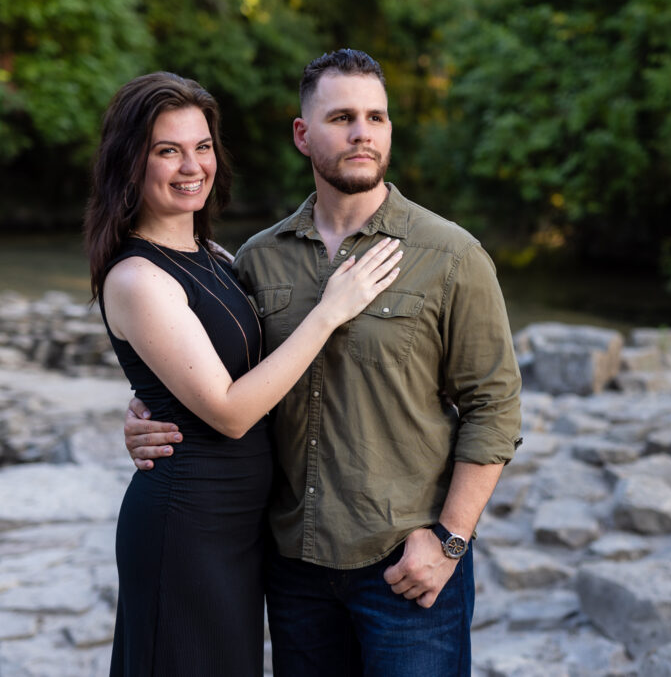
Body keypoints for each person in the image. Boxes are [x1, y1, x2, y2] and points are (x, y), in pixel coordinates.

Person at [124, 50, 522, 676]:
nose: (363, 132)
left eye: (377, 117)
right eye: (341, 117)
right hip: (293, 572)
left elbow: (494, 408)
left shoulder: (450, 255)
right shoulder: (256, 260)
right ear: (304, 135)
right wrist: (148, 412)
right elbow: (219, 374)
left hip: (404, 567)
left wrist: (448, 541)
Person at [83, 70, 402, 677]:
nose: (190, 167)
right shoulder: (135, 276)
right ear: (131, 162)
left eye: (201, 147)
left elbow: (207, 367)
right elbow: (228, 410)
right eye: (167, 151)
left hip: (240, 527)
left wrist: (144, 404)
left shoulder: (219, 257)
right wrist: (330, 310)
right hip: (187, 526)